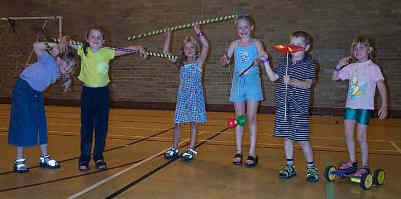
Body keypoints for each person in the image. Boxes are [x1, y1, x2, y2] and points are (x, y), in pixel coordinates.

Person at [68, 26, 146, 171]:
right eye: (93, 36)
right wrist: (64, 40)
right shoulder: (82, 49)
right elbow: (67, 42)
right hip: (88, 93)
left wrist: (138, 47)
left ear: (104, 41)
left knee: (101, 128)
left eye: (99, 37)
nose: (96, 39)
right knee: (86, 128)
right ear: (87, 39)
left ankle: (98, 157)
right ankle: (84, 158)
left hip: (103, 94)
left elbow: (124, 50)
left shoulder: (107, 52)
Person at [8, 40, 77, 173]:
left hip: (36, 94)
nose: (68, 68)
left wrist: (68, 79)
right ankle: (19, 160)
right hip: (23, 90)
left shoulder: (60, 71)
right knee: (23, 124)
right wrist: (54, 45)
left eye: (72, 67)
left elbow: (65, 74)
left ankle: (45, 158)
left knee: (41, 124)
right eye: (67, 64)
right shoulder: (48, 60)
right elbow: (36, 45)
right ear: (58, 59)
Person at [262, 31, 319, 182]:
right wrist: (266, 62)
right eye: (293, 43)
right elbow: (274, 78)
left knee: (302, 139)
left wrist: (292, 81)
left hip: (299, 108)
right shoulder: (284, 63)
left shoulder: (310, 65)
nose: (295, 47)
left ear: (307, 47)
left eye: (299, 44)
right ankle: (289, 166)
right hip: (283, 107)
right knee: (287, 137)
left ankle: (311, 168)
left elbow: (307, 85)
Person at [332, 35, 388, 177]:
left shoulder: (373, 68)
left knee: (361, 137)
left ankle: (364, 166)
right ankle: (352, 162)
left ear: (369, 50)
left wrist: (384, 105)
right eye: (355, 48)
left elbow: (381, 86)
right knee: (348, 134)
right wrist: (339, 65)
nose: (357, 51)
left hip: (364, 107)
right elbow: (335, 77)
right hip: (351, 106)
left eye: (361, 48)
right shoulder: (351, 67)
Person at [219, 15, 268, 167]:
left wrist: (259, 60)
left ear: (251, 27)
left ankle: (252, 152)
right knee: (240, 118)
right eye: (240, 27)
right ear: (237, 29)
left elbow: (263, 58)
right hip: (238, 83)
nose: (243, 30)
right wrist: (224, 60)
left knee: (251, 118)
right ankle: (238, 150)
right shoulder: (234, 44)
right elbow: (226, 59)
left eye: (245, 27)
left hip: (253, 82)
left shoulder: (257, 43)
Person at [163, 23, 209, 161]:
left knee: (193, 123)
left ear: (196, 50)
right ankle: (175, 148)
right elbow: (166, 53)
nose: (189, 50)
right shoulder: (181, 63)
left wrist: (199, 33)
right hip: (182, 97)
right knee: (177, 123)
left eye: (192, 47)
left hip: (195, 97)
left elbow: (206, 46)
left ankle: (191, 149)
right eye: (186, 48)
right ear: (183, 50)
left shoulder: (199, 62)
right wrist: (168, 35)